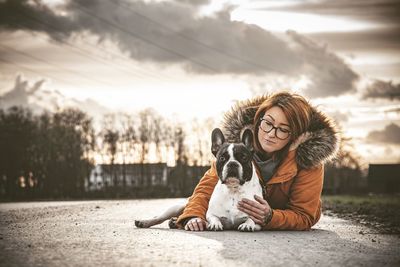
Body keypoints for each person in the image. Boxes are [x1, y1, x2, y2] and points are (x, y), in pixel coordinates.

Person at [175, 91, 339, 231]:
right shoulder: (232, 151)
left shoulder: (308, 161)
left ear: (295, 135)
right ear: (258, 120)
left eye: (283, 129)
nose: (271, 134)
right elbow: (206, 191)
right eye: (267, 123)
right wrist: (194, 216)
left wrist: (271, 217)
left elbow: (304, 216)